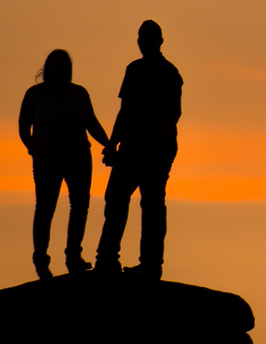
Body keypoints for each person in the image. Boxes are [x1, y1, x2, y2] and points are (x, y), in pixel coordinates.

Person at [94, 19, 183, 278]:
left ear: (160, 42)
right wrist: (112, 144)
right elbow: (125, 111)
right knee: (116, 199)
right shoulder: (132, 70)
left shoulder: (170, 73)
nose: (144, 43)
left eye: (149, 38)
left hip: (157, 149)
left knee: (152, 204)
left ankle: (151, 264)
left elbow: (173, 113)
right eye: (141, 38)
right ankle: (107, 259)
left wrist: (155, 142)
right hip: (131, 147)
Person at [18, 49, 110, 279]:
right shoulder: (34, 94)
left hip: (78, 156)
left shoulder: (79, 93)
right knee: (45, 208)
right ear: (47, 69)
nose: (60, 69)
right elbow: (23, 127)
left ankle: (73, 256)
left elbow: (91, 123)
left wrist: (109, 144)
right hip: (47, 158)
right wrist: (33, 148)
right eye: (55, 65)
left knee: (80, 207)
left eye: (64, 65)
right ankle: (41, 259)